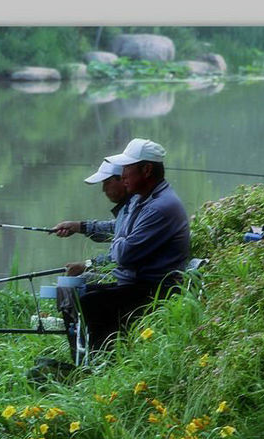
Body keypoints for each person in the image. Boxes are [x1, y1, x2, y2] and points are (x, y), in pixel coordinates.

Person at [58, 138, 190, 359]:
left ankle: (104, 363)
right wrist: (89, 228)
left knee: (91, 302)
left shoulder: (159, 207)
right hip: (139, 283)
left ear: (146, 170)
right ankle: (88, 360)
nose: (124, 175)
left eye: (127, 169)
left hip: (158, 289)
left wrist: (120, 237)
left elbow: (124, 254)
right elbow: (121, 237)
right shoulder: (144, 200)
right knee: (81, 294)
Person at [51, 159, 132, 271]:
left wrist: (87, 265)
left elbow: (124, 255)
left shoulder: (139, 208)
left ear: (124, 180)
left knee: (79, 282)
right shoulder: (130, 207)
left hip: (140, 282)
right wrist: (79, 226)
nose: (104, 189)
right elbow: (118, 228)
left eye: (107, 182)